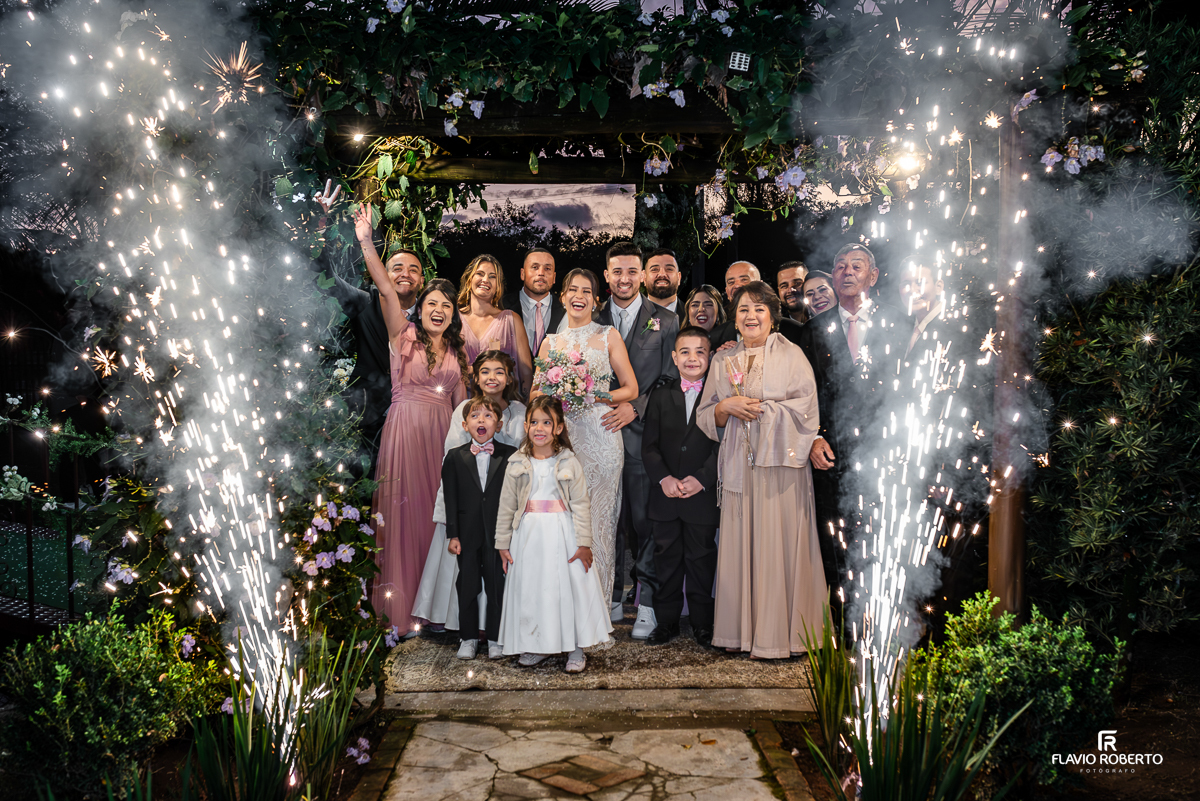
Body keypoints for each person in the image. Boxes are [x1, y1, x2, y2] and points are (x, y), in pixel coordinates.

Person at [355, 204, 469, 635]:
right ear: (419, 309)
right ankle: (400, 616)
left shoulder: (458, 354)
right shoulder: (401, 336)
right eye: (432, 303)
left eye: (446, 305)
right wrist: (367, 240)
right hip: (403, 435)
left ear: (453, 314)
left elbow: (464, 409)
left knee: (437, 520)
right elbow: (386, 289)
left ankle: (436, 611)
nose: (438, 310)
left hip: (442, 440)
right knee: (404, 518)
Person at [696, 282, 826, 658]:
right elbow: (707, 414)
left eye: (759, 310)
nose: (751, 316)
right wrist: (727, 408)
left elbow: (807, 411)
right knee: (742, 543)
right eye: (743, 310)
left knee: (779, 544)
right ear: (734, 319)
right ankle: (741, 633)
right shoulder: (722, 360)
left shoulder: (793, 354)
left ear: (772, 316)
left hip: (782, 468)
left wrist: (763, 410)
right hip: (739, 464)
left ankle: (785, 636)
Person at [797, 244, 906, 603]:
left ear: (872, 276)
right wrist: (812, 438)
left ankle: (882, 618)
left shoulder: (898, 323)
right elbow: (802, 393)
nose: (847, 272)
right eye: (840, 266)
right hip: (831, 454)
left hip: (885, 454)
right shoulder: (812, 331)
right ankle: (842, 630)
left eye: (856, 266)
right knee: (835, 542)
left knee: (882, 538)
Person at [534, 268, 639, 634]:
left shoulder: (608, 335)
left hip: (603, 437)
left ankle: (596, 614)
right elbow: (534, 394)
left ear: (596, 299)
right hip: (564, 441)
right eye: (572, 290)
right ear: (562, 296)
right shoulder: (550, 343)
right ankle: (564, 611)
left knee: (600, 525)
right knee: (562, 524)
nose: (579, 295)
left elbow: (630, 388)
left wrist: (598, 395)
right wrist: (555, 393)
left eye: (587, 291)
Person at [596, 242, 680, 638]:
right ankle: (609, 595)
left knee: (646, 523)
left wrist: (637, 407)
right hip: (596, 436)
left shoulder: (663, 321)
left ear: (643, 275)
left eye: (633, 271)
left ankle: (645, 600)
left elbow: (671, 378)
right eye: (618, 271)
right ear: (607, 275)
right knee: (605, 520)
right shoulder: (587, 318)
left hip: (643, 438)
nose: (625, 278)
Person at [496, 397, 614, 672]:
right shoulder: (516, 462)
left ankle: (575, 648)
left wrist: (584, 543)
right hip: (528, 535)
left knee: (566, 590)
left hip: (562, 533)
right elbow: (506, 505)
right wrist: (503, 543)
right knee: (534, 590)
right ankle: (537, 644)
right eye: (534, 422)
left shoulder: (568, 462)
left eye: (547, 422)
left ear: (559, 428)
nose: (540, 428)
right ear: (526, 426)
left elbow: (582, 505)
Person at [412, 351, 527, 633]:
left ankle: (500, 628)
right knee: (466, 572)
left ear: (509, 377)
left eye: (499, 371)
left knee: (496, 570)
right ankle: (458, 625)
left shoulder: (520, 411)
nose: (492, 377)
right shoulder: (463, 407)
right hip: (468, 501)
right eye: (485, 371)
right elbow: (451, 453)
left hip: (502, 502)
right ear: (476, 377)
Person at [309, 183, 425, 464]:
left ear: (422, 279)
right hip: (364, 418)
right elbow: (325, 279)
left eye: (413, 269)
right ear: (383, 274)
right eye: (396, 268)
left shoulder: (433, 319)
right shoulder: (365, 302)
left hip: (417, 423)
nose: (405, 274)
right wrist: (320, 226)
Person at [641, 327, 720, 648]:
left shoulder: (718, 396)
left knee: (701, 561)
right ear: (674, 357)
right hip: (666, 497)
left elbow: (723, 447)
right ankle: (667, 622)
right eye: (684, 352)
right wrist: (665, 478)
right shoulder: (661, 395)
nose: (692, 358)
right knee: (666, 561)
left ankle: (703, 624)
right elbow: (649, 446)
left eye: (700, 351)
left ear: (710, 356)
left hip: (701, 497)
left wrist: (702, 478)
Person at [443, 397, 518, 660]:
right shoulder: (454, 457)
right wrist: (452, 533)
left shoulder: (510, 456)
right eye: (475, 416)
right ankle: (468, 637)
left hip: (499, 535)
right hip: (467, 533)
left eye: (488, 416)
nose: (481, 420)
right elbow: (450, 498)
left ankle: (497, 638)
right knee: (468, 585)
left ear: (498, 425)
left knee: (497, 584)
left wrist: (511, 533)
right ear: (465, 424)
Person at [457, 254, 534, 396]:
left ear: (498, 285)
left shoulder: (511, 320)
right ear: (469, 279)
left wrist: (526, 407)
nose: (485, 280)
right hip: (462, 405)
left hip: (504, 408)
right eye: (480, 274)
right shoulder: (454, 320)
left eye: (492, 276)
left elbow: (526, 373)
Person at [711, 262, 804, 350]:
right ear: (727, 292)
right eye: (731, 282)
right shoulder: (715, 338)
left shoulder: (796, 332)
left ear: (761, 286)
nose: (737, 286)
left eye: (744, 280)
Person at [501, 248, 565, 363]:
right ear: (522, 273)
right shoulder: (501, 307)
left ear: (554, 277)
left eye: (547, 268)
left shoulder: (566, 312)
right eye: (535, 267)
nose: (541, 273)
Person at [898, 256, 946, 358]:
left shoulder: (954, 328)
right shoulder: (899, 327)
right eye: (906, 284)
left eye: (920, 283)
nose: (912, 290)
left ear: (938, 287)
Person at [645, 248, 683, 318]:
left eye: (669, 269)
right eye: (655, 269)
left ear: (679, 278)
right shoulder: (629, 316)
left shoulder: (693, 316)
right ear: (644, 278)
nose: (662, 274)